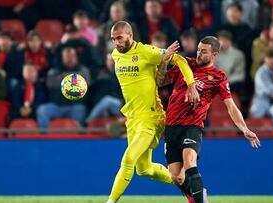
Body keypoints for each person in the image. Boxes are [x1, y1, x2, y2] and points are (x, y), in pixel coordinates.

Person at [156, 36, 261, 203]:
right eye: (198, 50)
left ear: (214, 55)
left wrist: (245, 129)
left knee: (189, 160)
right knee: (177, 177)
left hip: (192, 125)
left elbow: (231, 106)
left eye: (203, 51)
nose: (199, 54)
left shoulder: (218, 77)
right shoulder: (186, 64)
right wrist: (164, 61)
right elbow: (161, 82)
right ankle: (196, 194)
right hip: (171, 125)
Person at [106, 21, 199, 203]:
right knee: (144, 169)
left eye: (119, 38)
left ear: (130, 36)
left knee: (128, 159)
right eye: (113, 39)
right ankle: (184, 183)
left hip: (150, 118)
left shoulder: (147, 52)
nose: (116, 42)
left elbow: (179, 59)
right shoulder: (116, 55)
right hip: (132, 119)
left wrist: (191, 85)